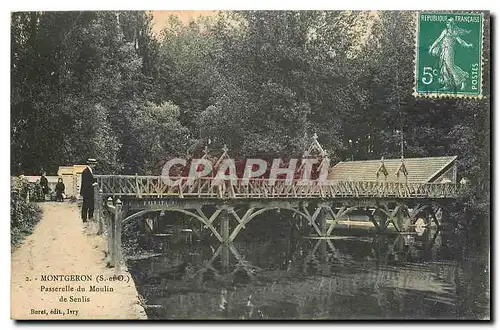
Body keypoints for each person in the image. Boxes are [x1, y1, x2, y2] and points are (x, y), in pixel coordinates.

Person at [429, 18, 473, 91]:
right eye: (447, 23)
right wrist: (431, 48)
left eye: (448, 23)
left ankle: (462, 81)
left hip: (449, 51)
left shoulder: (454, 32)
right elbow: (438, 40)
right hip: (443, 51)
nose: (447, 24)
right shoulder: (445, 31)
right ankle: (447, 85)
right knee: (444, 67)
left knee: (450, 67)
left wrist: (468, 45)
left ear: (452, 24)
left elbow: (461, 41)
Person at [80, 158, 98, 223]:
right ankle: (84, 219)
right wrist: (93, 184)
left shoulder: (89, 170)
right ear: (91, 164)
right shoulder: (85, 171)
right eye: (94, 164)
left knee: (90, 204)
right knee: (86, 205)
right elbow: (85, 182)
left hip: (89, 190)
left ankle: (90, 217)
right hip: (87, 190)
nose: (95, 166)